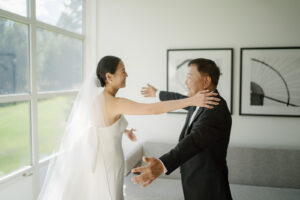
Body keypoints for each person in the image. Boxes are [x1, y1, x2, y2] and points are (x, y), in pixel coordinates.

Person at [38, 56, 220, 200]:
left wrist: (123, 130)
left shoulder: (99, 100)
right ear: (109, 77)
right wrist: (191, 100)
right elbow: (151, 109)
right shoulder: (114, 102)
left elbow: (99, 125)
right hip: (108, 163)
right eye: (123, 71)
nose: (127, 75)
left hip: (104, 159)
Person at [132, 58, 233, 200]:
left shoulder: (215, 108)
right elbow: (180, 99)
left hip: (208, 188)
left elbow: (194, 140)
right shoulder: (200, 101)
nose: (186, 82)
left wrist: (162, 165)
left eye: (189, 77)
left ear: (206, 81)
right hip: (195, 183)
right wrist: (157, 93)